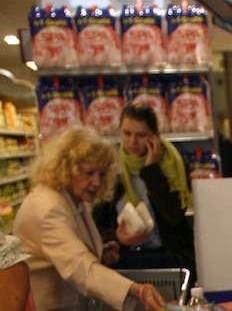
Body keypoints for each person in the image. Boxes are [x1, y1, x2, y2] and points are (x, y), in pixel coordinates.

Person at [12, 126, 166, 310]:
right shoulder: (48, 208)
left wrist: (101, 251)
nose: (97, 182)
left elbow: (71, 253)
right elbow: (81, 268)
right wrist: (138, 290)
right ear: (66, 167)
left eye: (102, 174)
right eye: (89, 173)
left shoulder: (72, 199)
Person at [93, 102, 197, 285]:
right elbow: (97, 226)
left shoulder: (172, 165)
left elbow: (174, 215)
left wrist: (151, 169)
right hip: (126, 261)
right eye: (127, 133)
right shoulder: (110, 169)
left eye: (140, 135)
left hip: (169, 260)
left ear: (154, 137)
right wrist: (118, 237)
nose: (132, 142)